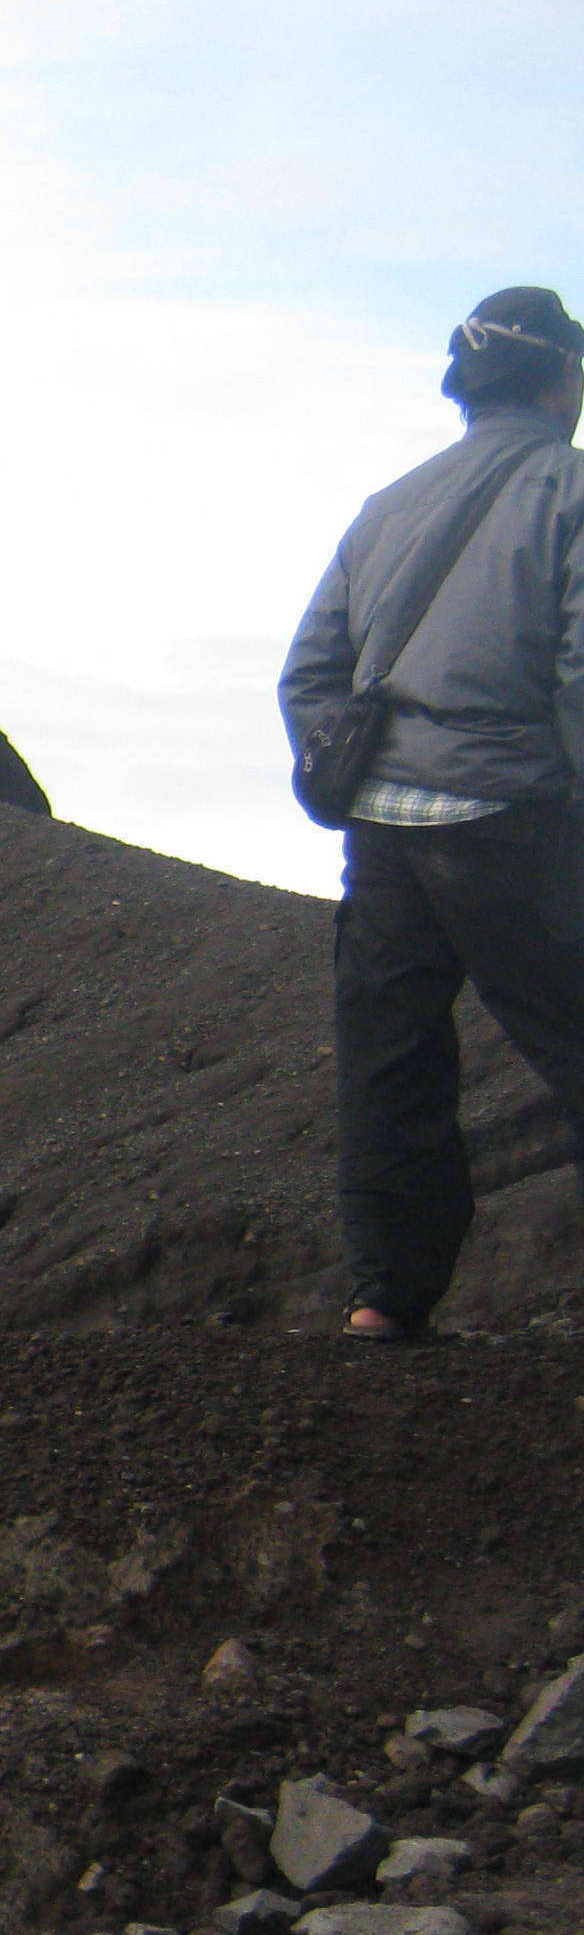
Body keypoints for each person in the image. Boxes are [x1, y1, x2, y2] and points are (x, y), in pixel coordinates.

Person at [281, 286, 584, 1340]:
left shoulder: (386, 509)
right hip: (512, 818)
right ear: (561, 382)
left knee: (392, 1062)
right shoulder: (571, 490)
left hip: (384, 838)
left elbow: (312, 671)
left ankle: (383, 1303)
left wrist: (361, 774)